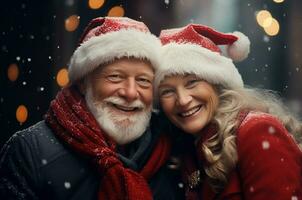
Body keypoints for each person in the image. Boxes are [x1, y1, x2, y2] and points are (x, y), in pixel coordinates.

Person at [0, 17, 179, 200]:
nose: (131, 93)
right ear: (84, 83)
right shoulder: (30, 151)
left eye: (143, 80)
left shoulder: (172, 148)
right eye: (115, 76)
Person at [154, 23, 302, 199]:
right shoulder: (184, 148)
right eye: (167, 91)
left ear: (216, 83)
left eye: (192, 82)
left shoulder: (256, 132)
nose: (183, 100)